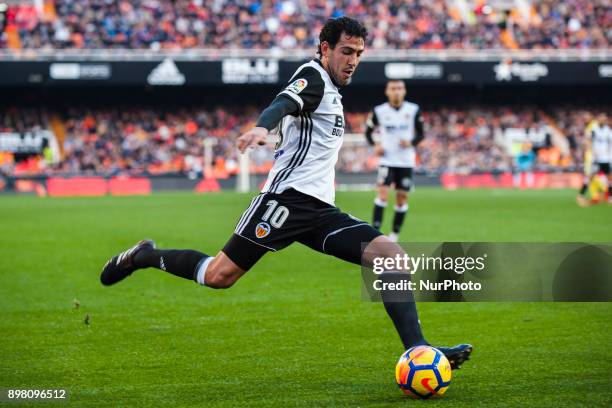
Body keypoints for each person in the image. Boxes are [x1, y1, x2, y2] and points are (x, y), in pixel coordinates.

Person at [100, 17, 471, 368]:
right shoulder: (313, 76)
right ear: (325, 48)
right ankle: (144, 256)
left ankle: (419, 350)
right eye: (346, 51)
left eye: (359, 53)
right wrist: (263, 128)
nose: (353, 60)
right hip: (284, 202)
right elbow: (284, 102)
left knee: (391, 256)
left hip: (321, 211)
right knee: (218, 276)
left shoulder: (334, 93)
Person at [364, 80, 425, 242]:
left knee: (402, 198)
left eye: (399, 88)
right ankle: (374, 235)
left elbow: (421, 134)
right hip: (387, 160)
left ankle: (394, 236)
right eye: (393, 88)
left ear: (404, 91)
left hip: (406, 161)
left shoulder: (413, 110)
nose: (396, 91)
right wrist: (375, 144)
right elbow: (368, 132)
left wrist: (411, 143)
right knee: (382, 194)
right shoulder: (379, 111)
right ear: (387, 91)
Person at [577, 113, 611, 206]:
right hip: (596, 158)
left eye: (604, 119)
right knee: (590, 176)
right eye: (601, 119)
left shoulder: (608, 131)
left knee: (609, 178)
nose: (602, 120)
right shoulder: (594, 130)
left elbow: (609, 144)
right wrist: (591, 153)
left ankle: (609, 197)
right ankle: (581, 195)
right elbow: (588, 141)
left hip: (606, 158)